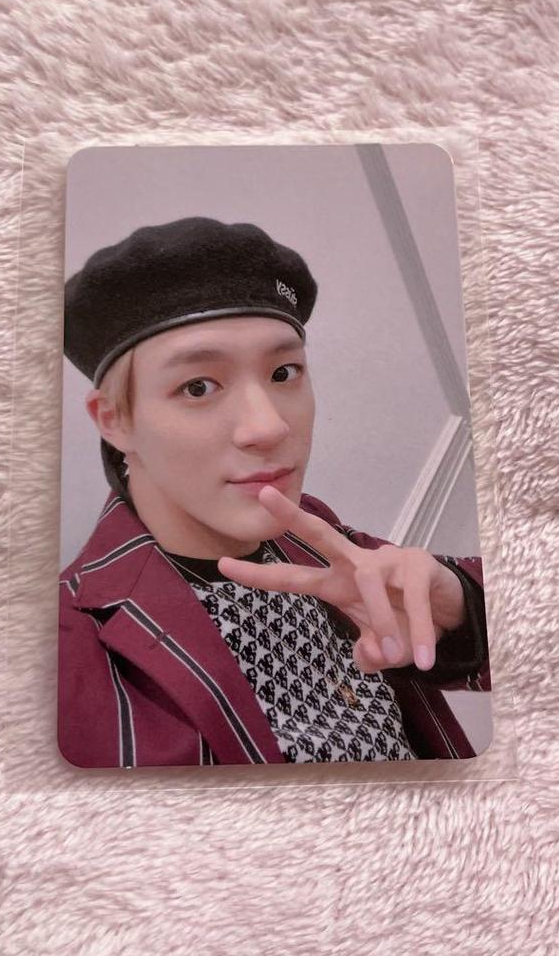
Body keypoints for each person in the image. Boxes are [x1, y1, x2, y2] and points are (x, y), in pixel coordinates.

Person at [58, 216, 490, 768]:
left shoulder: (309, 532)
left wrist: (459, 610)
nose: (268, 427)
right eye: (197, 386)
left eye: (284, 373)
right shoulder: (67, 648)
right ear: (114, 419)